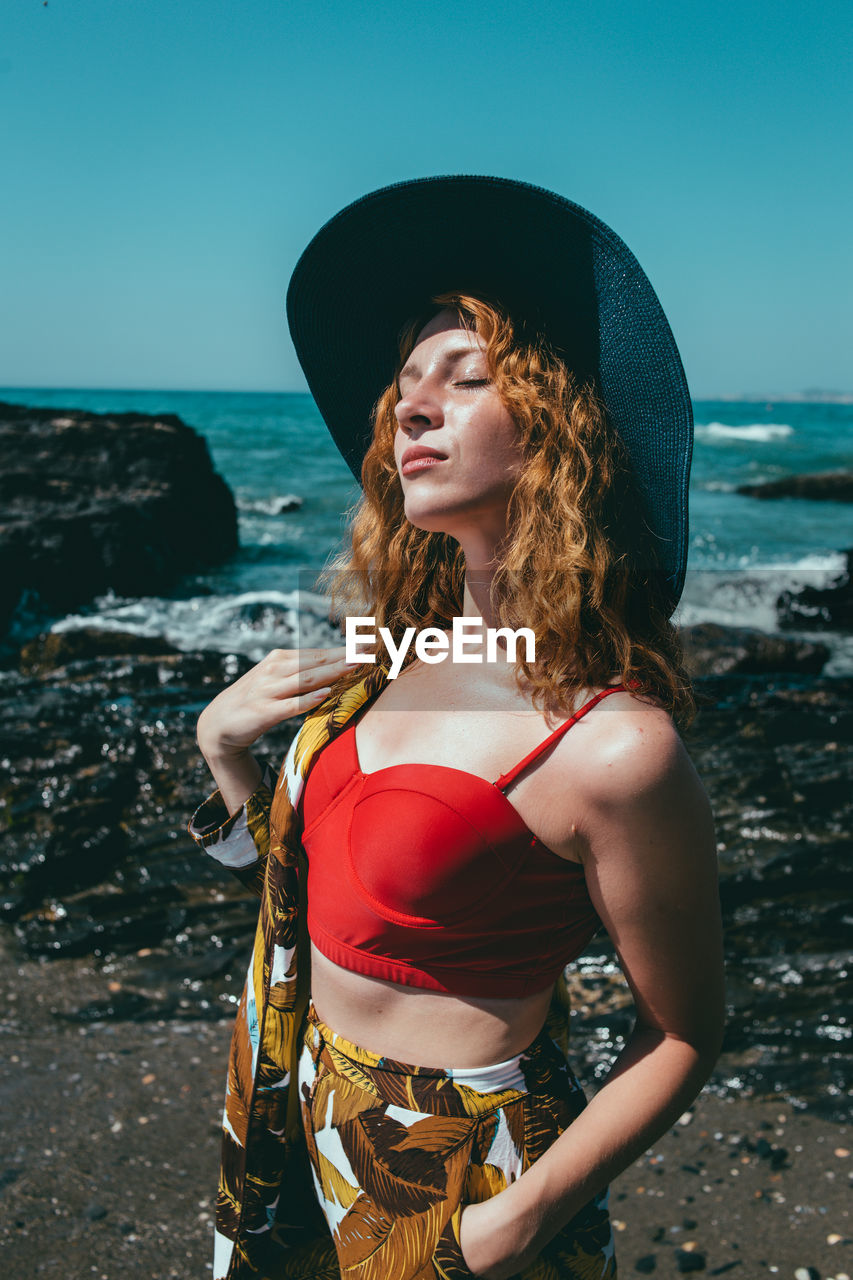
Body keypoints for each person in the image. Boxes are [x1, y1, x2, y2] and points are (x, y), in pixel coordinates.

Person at [187, 176, 725, 1280]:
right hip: (289, 1111)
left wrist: (515, 1222)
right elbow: (316, 893)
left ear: (558, 435)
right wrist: (224, 748)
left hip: (455, 1169)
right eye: (404, 380)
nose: (409, 405)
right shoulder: (392, 651)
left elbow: (681, 1033)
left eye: (467, 378)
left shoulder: (613, 744)